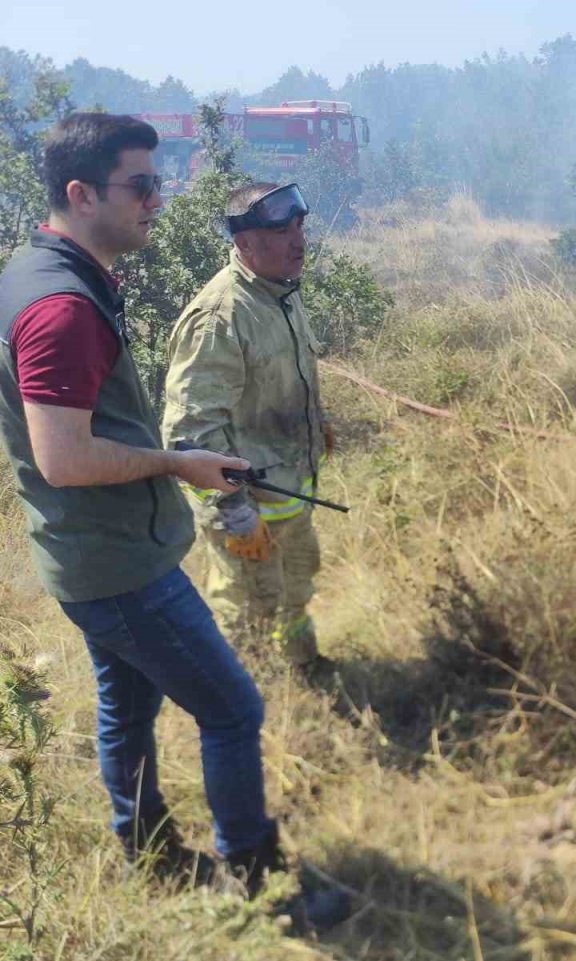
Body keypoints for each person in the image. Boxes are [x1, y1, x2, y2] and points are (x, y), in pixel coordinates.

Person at [0, 113, 344, 926]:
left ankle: (144, 848)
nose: (162, 198)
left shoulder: (40, 268)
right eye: (144, 185)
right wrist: (179, 463)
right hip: (119, 562)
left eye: (163, 178)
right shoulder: (61, 306)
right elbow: (65, 458)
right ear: (81, 195)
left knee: (127, 701)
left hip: (85, 553)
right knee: (233, 708)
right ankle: (262, 884)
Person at [163, 181, 336, 684]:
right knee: (249, 614)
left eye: (300, 226)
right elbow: (189, 433)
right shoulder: (222, 316)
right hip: (249, 510)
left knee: (295, 590)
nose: (298, 241)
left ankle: (305, 669)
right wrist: (236, 516)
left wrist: (314, 424)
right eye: (280, 231)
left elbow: (278, 379)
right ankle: (251, 708)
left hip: (290, 493)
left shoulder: (278, 291)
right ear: (245, 244)